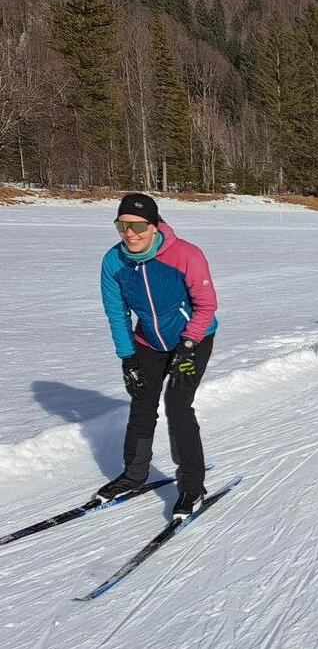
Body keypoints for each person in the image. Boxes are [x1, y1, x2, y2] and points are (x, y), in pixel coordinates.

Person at [97, 193, 218, 519]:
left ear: (154, 225)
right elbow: (117, 314)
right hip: (148, 342)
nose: (130, 233)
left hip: (193, 337)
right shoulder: (114, 262)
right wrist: (128, 358)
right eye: (122, 226)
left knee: (177, 406)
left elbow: (206, 306)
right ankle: (134, 475)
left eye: (138, 225)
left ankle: (192, 487)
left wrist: (189, 345)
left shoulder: (185, 255)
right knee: (141, 403)